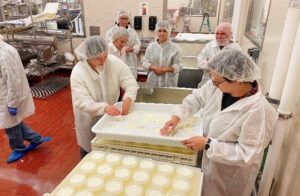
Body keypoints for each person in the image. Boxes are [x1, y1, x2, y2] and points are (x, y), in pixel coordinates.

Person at [160, 49, 278, 196]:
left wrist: (208, 144)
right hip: (208, 163)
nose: (212, 83)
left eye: (216, 80)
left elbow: (246, 153)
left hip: (229, 175)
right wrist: (177, 117)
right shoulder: (217, 84)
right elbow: (196, 99)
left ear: (236, 80)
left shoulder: (258, 110)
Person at [71, 36, 139, 159]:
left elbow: (130, 82)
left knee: (110, 152)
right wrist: (104, 107)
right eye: (98, 58)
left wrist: (128, 98)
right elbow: (82, 101)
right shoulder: (78, 72)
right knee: (90, 153)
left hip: (111, 118)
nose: (103, 61)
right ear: (88, 57)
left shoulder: (113, 62)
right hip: (88, 120)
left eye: (105, 56)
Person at [0, 37, 51, 163]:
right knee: (14, 122)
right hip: (4, 94)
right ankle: (36, 139)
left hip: (8, 96)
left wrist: (13, 103)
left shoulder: (4, 54)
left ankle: (19, 148)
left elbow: (13, 81)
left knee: (11, 125)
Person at [197, 22, 241, 87]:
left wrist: (210, 64)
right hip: (206, 84)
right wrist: (217, 66)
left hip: (226, 86)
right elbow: (199, 63)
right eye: (217, 33)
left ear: (230, 34)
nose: (219, 36)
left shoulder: (236, 50)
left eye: (223, 34)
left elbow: (237, 69)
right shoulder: (209, 46)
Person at [142, 21, 182, 87]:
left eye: (164, 31)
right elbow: (144, 63)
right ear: (156, 32)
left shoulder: (175, 48)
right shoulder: (151, 46)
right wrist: (155, 68)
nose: (162, 33)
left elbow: (178, 66)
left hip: (169, 84)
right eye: (159, 31)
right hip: (153, 82)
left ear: (169, 32)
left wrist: (164, 69)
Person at [106, 10, 141, 77]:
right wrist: (122, 49)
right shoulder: (111, 31)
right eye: (122, 18)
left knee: (130, 79)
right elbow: (110, 46)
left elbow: (138, 44)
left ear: (129, 19)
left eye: (126, 19)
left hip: (131, 61)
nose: (124, 21)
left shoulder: (132, 32)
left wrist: (132, 49)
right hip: (116, 59)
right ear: (117, 19)